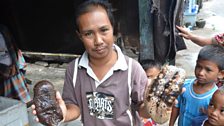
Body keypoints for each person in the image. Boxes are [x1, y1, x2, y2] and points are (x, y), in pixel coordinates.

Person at [32, 0, 151, 125]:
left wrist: (153, 105)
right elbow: (75, 107)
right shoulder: (74, 70)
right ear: (80, 36)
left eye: (104, 30)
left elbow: (142, 110)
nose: (98, 40)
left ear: (114, 30)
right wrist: (64, 113)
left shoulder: (132, 69)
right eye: (88, 34)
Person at [169, 44, 224, 126]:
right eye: (198, 66)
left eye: (208, 70)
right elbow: (176, 107)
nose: (201, 73)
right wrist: (171, 124)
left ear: (221, 74)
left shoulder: (215, 97)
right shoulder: (185, 85)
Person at [0, 24, 31, 103]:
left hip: (13, 72)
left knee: (21, 105)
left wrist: (16, 64)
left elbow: (13, 47)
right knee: (6, 106)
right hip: (2, 76)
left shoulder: (3, 28)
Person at [140, 60, 162, 126]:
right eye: (148, 77)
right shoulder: (136, 95)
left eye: (157, 77)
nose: (153, 81)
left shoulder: (158, 95)